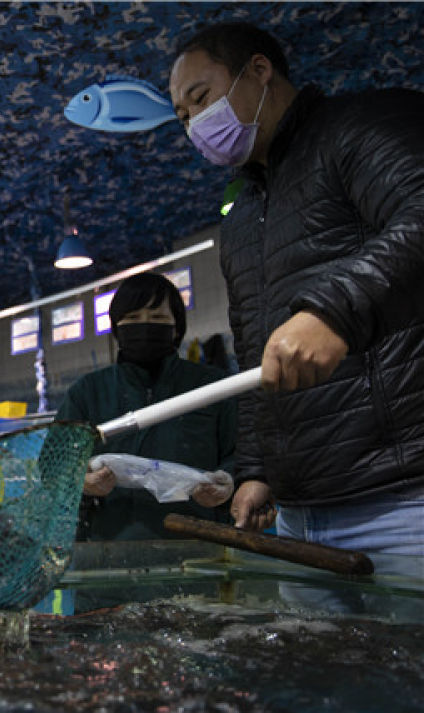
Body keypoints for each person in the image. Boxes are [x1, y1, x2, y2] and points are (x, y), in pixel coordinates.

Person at [169, 22, 424, 559]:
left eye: (201, 97)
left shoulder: (360, 127)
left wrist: (334, 313)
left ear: (259, 70)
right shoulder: (240, 220)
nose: (195, 125)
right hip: (297, 513)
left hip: (403, 500)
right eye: (183, 117)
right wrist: (257, 469)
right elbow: (253, 357)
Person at [55, 272, 237, 545]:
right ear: (116, 328)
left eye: (158, 318)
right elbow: (53, 467)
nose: (145, 326)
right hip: (108, 550)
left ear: (176, 328)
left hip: (200, 550)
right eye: (133, 319)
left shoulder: (212, 388)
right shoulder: (87, 392)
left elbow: (242, 456)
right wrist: (81, 481)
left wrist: (228, 483)